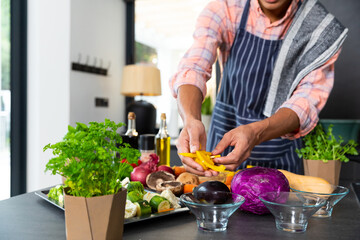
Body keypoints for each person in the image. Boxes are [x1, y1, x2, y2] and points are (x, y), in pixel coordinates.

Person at [169, 0, 348, 176]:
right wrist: (191, 120)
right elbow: (194, 67)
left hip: (282, 160)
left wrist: (255, 133)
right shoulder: (226, 9)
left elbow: (306, 101)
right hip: (221, 153)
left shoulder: (321, 28)